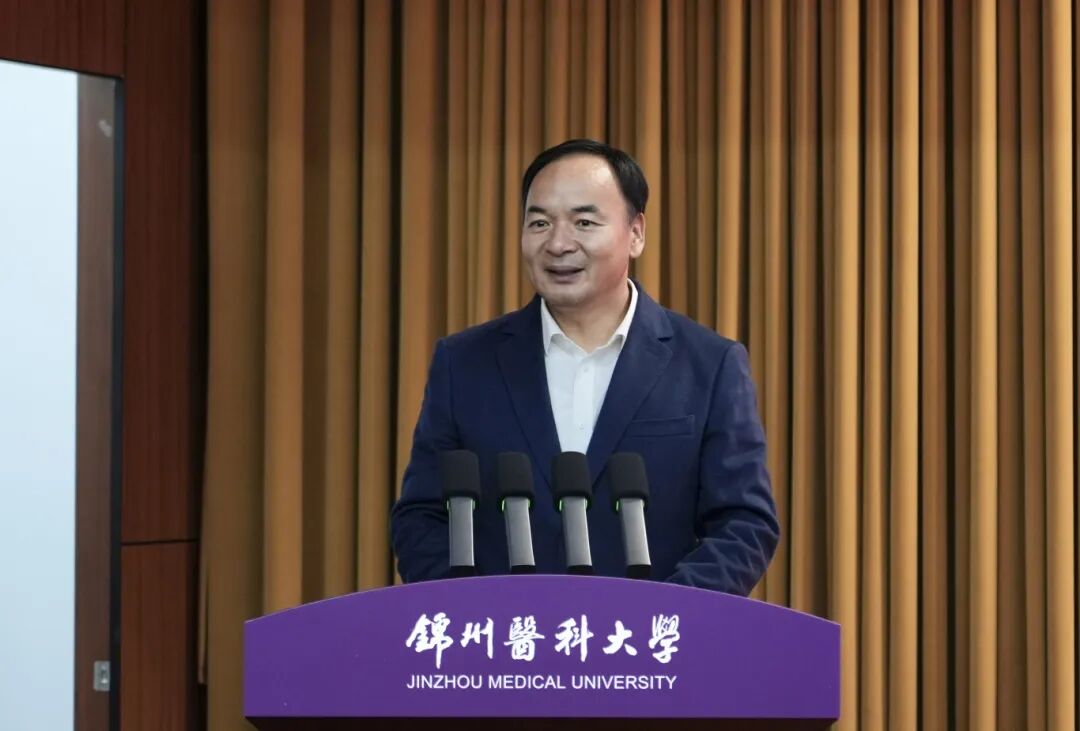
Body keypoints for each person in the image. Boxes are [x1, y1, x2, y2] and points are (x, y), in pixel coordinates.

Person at [390, 139, 779, 595]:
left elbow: (742, 523)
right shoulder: (464, 364)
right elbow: (420, 518)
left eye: (584, 222)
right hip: (507, 636)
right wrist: (479, 614)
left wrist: (665, 616)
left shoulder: (709, 365)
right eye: (539, 222)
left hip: (650, 637)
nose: (558, 243)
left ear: (636, 233)